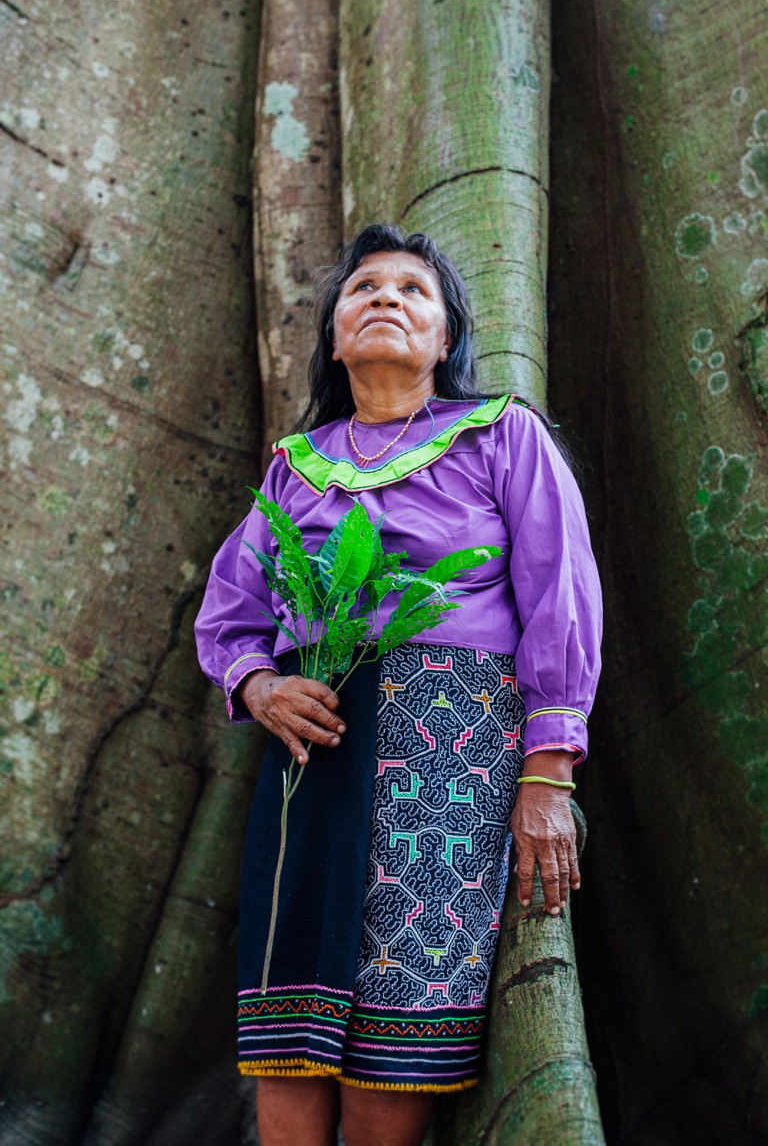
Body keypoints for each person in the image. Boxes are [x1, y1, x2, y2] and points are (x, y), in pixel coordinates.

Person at [195, 224, 602, 1146]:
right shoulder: (295, 467)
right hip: (313, 759)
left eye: (414, 290)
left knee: (399, 1024)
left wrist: (548, 773)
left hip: (449, 754)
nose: (386, 297)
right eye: (364, 288)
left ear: (447, 337)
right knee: (288, 1027)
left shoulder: (502, 435)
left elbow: (562, 601)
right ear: (336, 338)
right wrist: (259, 687)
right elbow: (229, 612)